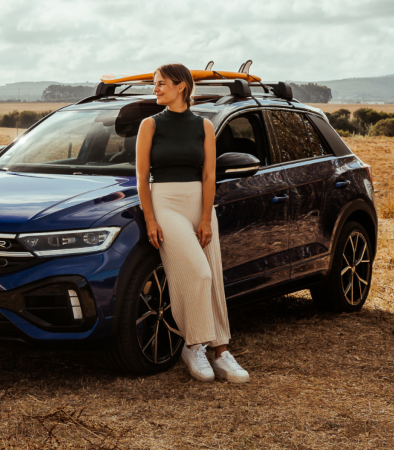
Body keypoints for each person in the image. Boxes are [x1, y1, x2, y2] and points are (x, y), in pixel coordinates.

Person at [135, 63, 249, 383]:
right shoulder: (150, 125)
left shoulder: (204, 126)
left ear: (181, 86)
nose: (155, 89)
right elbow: (142, 177)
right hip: (166, 203)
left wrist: (205, 218)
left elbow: (209, 175)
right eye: (155, 84)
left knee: (212, 280)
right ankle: (193, 346)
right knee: (198, 274)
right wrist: (150, 219)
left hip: (199, 204)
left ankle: (222, 352)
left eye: (161, 83)